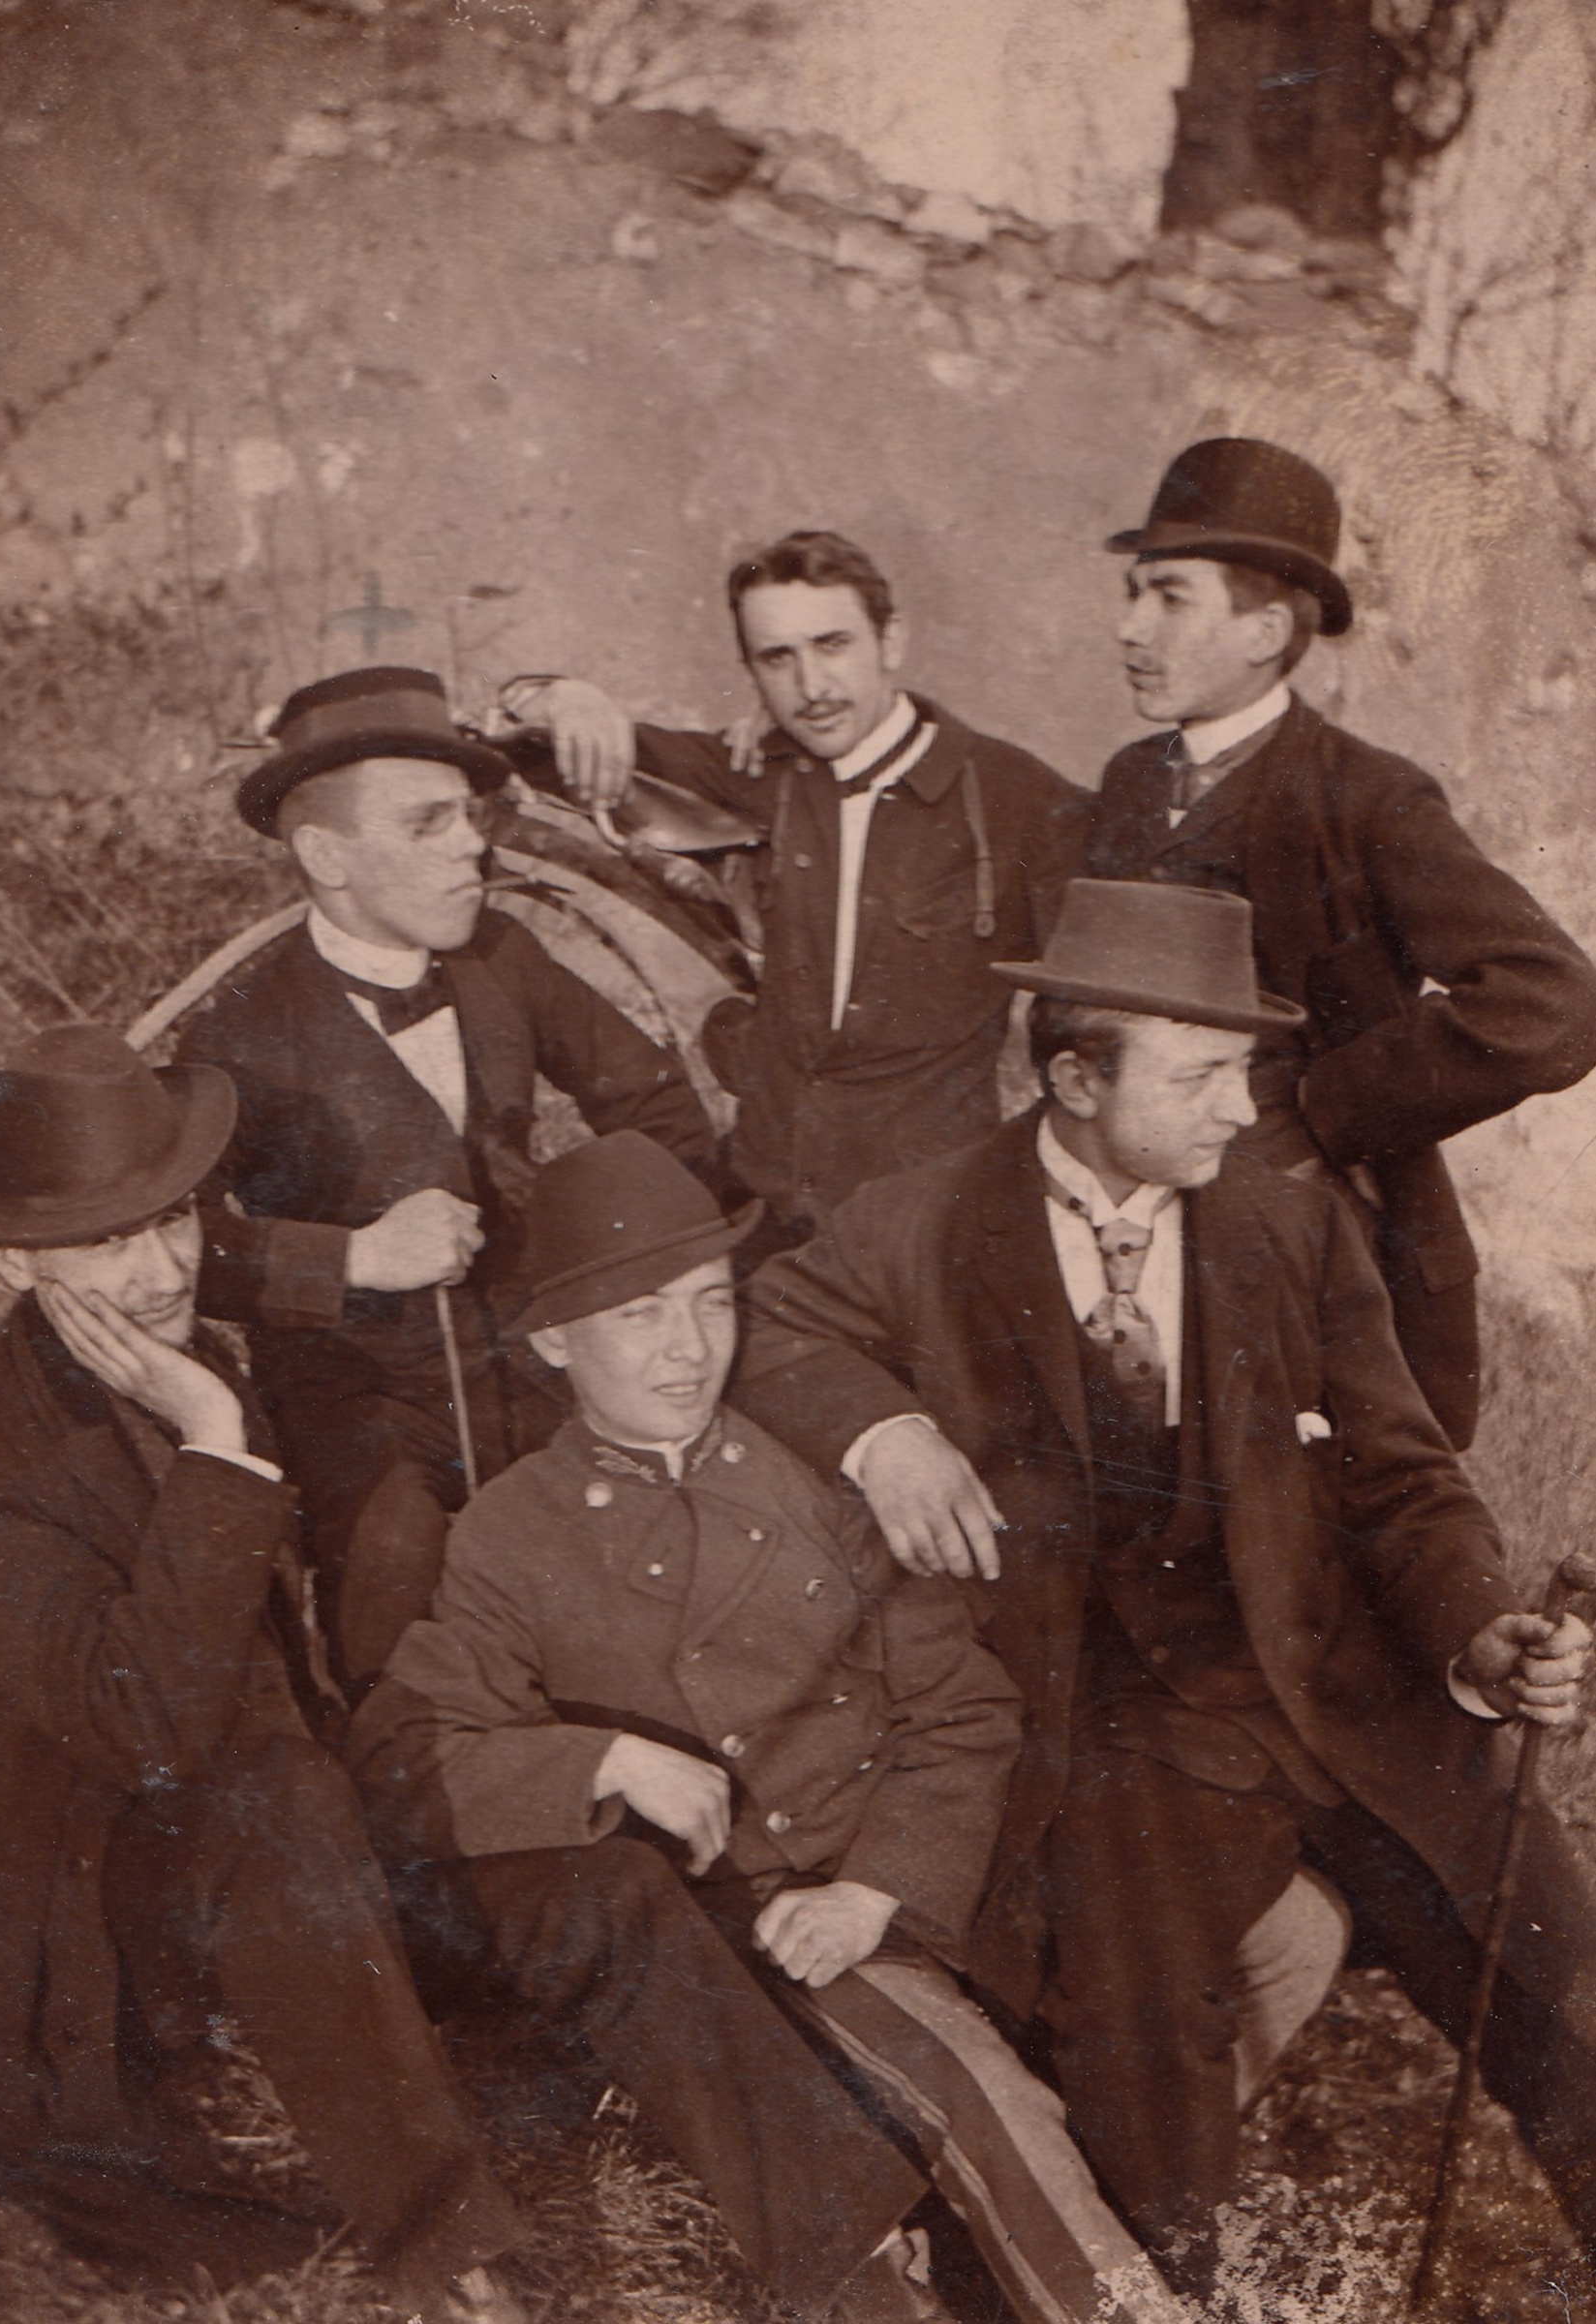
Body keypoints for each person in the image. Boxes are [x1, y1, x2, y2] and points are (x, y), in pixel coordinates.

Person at [729, 878, 1596, 2295]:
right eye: (1198, 1078)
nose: (1239, 1112)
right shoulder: (926, 1220)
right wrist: (883, 1433)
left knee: (1561, 1985)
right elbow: (772, 1323)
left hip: (1347, 1687)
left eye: (1242, 1072)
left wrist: (1476, 1632)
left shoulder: (1291, 1226)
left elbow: (1402, 1478)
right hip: (1116, 1727)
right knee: (1142, 2059)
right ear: (1077, 1078)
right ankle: (1164, 2296)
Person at [348, 1129, 1187, 2324]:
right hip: (693, 1942)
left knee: (996, 2083)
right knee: (946, 2113)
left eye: (710, 1303)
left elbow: (962, 1711)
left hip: (861, 1896)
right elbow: (402, 1762)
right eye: (639, 1315)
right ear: (552, 1341)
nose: (688, 1349)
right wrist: (601, 1759)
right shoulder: (507, 1531)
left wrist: (873, 1893)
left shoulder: (818, 1482)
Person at [0, 1024, 532, 2323]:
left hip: (225, 1789)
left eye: (172, 1217)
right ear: (17, 1260)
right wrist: (217, 1439)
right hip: (79, 1870)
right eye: (110, 1239)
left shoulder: (165, 1327)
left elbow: (241, 1267)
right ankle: (445, 2242)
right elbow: (144, 1724)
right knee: (283, 1801)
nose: (164, 1269)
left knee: (312, 1791)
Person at [175, 664, 720, 1692]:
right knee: (398, 1602)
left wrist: (612, 1267)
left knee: (636, 1599)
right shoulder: (237, 1032)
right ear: (326, 856)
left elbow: (655, 1108)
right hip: (361, 1403)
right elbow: (175, 1250)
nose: (472, 844)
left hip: (541, 1364)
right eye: (427, 824)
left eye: (469, 816)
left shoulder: (502, 957)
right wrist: (355, 1259)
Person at [1085, 436, 1596, 1448]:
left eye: (1169, 598)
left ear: (1265, 630)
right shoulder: (1131, 782)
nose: (1129, 627)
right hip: (1142, 1226)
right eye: (1132, 594)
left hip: (1329, 1241)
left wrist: (1328, 1105)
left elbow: (1553, 1001)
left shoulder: (1366, 797)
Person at [501, 529, 1085, 1232]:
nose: (811, 689)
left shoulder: (1018, 799)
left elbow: (1097, 1029)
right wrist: (562, 698)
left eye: (832, 645)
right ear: (751, 670)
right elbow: (532, 753)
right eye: (777, 658)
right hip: (771, 1213)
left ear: (890, 641)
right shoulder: (753, 774)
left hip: (928, 1225)